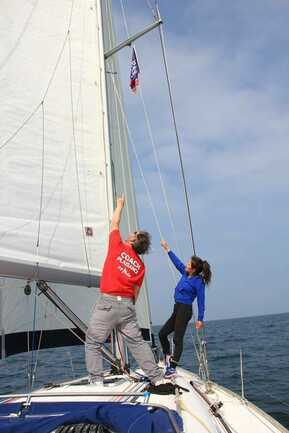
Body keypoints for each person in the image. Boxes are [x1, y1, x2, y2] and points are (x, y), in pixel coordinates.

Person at [85, 196, 163, 385]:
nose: (131, 232)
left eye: (134, 233)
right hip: (127, 306)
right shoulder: (140, 267)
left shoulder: (117, 246)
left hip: (107, 303)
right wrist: (125, 309)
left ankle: (96, 381)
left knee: (93, 342)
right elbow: (135, 293)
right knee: (137, 343)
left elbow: (114, 223)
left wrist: (119, 205)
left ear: (133, 239)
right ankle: (157, 378)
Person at [159, 240, 212, 378]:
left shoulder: (198, 281)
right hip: (177, 308)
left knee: (177, 339)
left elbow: (201, 300)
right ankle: (167, 356)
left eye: (189, 264)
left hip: (185, 310)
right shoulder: (185, 273)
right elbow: (177, 262)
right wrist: (168, 249)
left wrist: (200, 319)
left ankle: (172, 368)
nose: (186, 264)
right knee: (162, 333)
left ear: (193, 269)